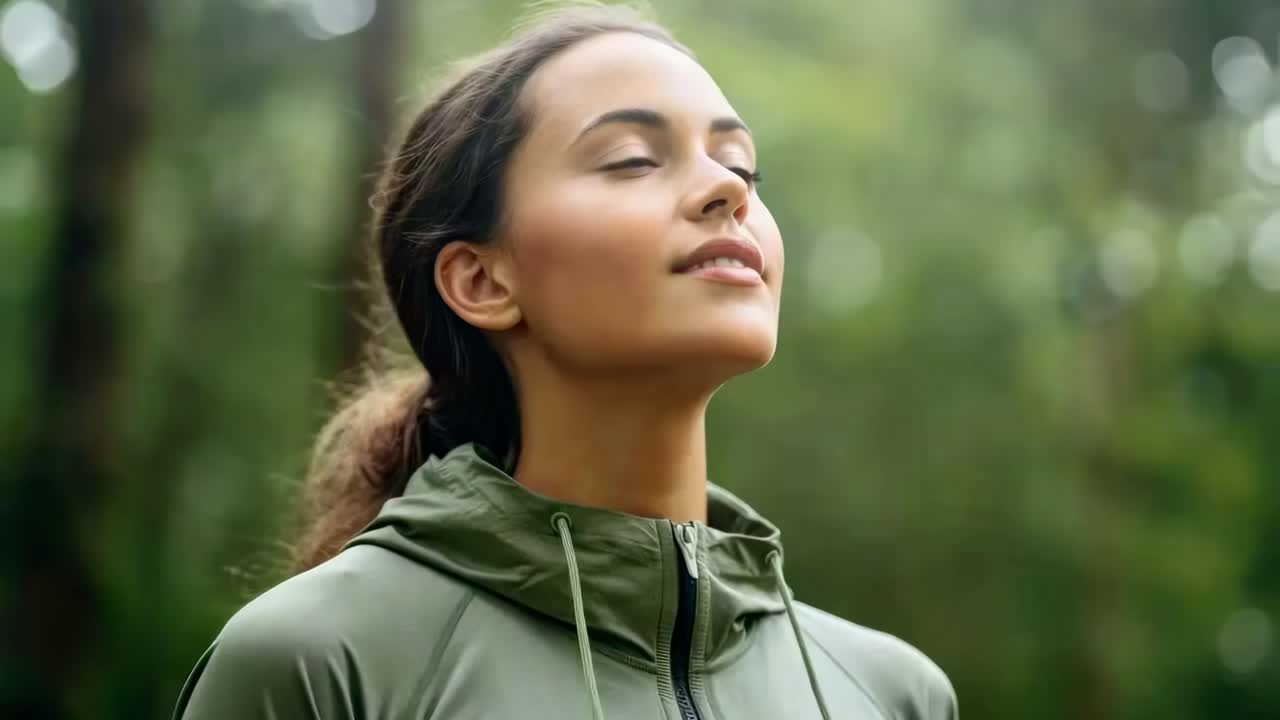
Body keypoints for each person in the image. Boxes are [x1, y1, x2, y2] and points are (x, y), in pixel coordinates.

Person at [172, 4, 957, 718]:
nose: (727, 190)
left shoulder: (892, 693)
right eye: (632, 160)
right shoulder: (319, 665)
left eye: (741, 166)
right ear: (482, 280)